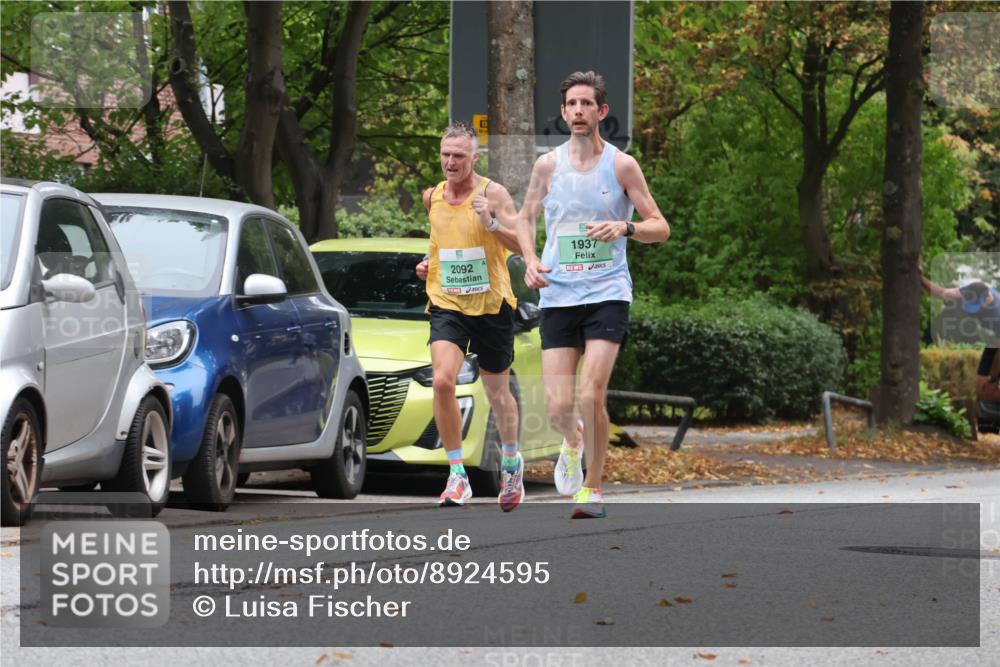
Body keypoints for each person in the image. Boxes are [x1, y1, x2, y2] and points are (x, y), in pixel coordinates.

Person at [514, 71, 670, 518]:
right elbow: (525, 219)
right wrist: (529, 259)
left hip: (607, 293)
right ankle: (572, 440)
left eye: (587, 104)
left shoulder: (622, 165)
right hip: (559, 294)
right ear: (563, 113)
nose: (579, 111)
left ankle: (594, 489)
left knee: (590, 393)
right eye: (571, 105)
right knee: (559, 406)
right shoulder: (548, 166)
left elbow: (660, 226)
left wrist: (626, 227)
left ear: (602, 112)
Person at [416, 122, 525, 510]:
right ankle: (457, 474)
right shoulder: (433, 197)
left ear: (474, 158)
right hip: (448, 302)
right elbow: (440, 242)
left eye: (459, 155)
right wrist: (427, 263)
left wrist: (491, 222)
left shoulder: (493, 193)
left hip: (492, 303)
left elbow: (521, 244)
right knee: (443, 381)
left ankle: (511, 462)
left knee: (498, 393)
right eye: (446, 154)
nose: (450, 162)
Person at [919, 266, 1000, 420]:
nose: (974, 311)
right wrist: (920, 278)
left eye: (976, 308)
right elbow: (942, 293)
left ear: (987, 299)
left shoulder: (997, 314)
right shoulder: (969, 292)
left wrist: (991, 379)